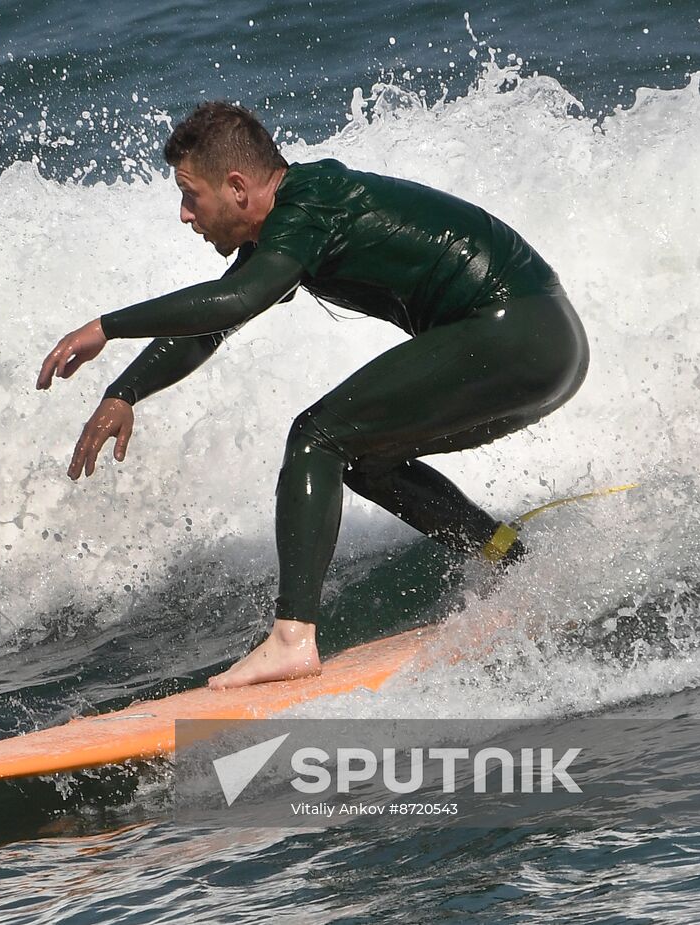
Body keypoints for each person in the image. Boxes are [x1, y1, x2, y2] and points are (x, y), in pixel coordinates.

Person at [37, 101, 589, 689]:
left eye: (190, 196)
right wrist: (124, 392)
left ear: (237, 187)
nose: (183, 215)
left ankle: (292, 638)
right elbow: (214, 323)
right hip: (544, 347)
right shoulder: (296, 219)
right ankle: (508, 559)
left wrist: (108, 326)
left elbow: (233, 302)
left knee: (316, 438)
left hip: (514, 332)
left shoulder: (306, 210)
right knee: (367, 459)